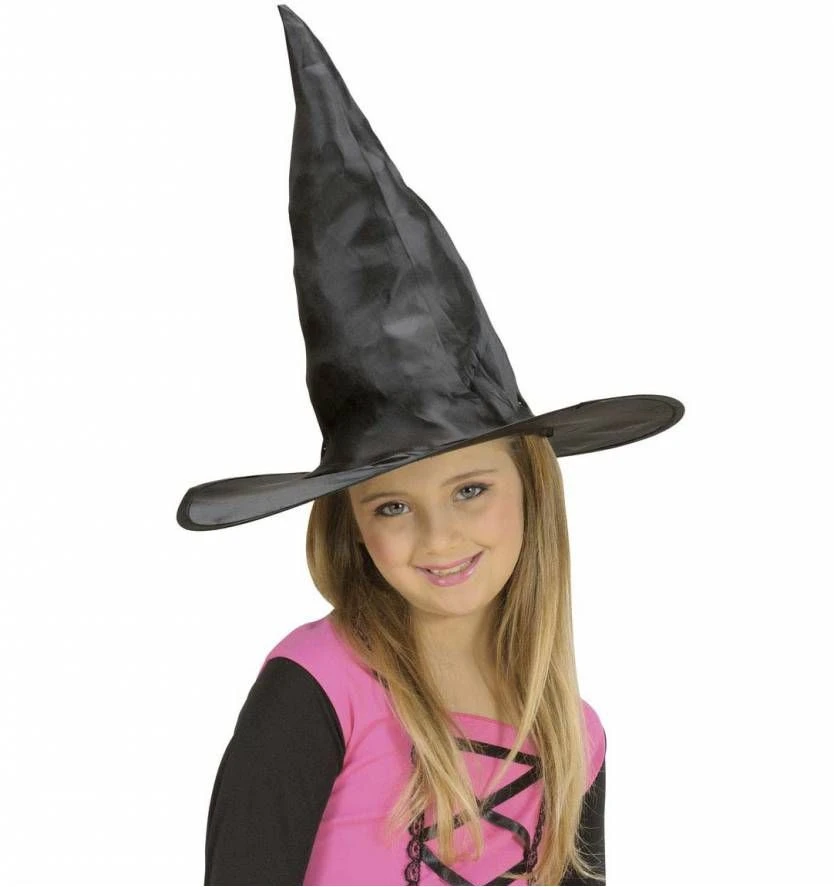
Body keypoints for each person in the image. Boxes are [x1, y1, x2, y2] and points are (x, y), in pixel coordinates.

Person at [177, 5, 684, 884]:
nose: (439, 537)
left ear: (530, 483)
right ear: (352, 523)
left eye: (470, 489)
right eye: (391, 505)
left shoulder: (575, 733)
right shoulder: (319, 686)